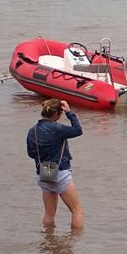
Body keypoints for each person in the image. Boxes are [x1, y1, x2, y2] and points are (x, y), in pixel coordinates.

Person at [26, 99, 84, 230]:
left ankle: (48, 240)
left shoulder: (32, 131)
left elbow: (31, 154)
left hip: (43, 173)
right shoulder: (58, 129)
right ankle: (74, 244)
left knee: (49, 214)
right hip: (60, 173)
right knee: (77, 211)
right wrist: (69, 112)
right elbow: (78, 130)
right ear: (57, 114)